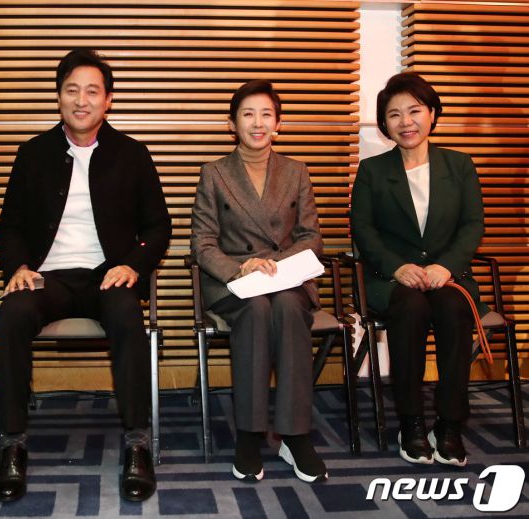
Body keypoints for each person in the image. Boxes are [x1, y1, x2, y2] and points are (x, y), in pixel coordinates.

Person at [0, 49, 171, 503]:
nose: (81, 100)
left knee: (127, 316)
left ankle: (137, 444)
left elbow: (158, 226)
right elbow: (9, 226)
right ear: (58, 97)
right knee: (11, 314)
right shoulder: (33, 153)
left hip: (107, 276)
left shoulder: (132, 154)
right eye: (72, 90)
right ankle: (12, 443)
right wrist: (18, 268)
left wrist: (132, 264)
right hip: (47, 277)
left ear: (108, 100)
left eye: (92, 91)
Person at [191, 80, 328, 483]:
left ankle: (295, 435)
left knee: (286, 306)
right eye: (248, 114)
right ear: (232, 124)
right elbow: (202, 242)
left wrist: (272, 264)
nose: (257, 122)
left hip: (286, 278)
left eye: (266, 114)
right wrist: (241, 268)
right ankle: (249, 436)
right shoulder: (214, 173)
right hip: (236, 282)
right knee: (255, 308)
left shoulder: (296, 171)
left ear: (278, 124)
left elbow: (311, 237)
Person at [350, 72, 485, 467]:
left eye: (414, 111)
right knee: (410, 308)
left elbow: (473, 224)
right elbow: (362, 229)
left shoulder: (459, 165)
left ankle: (449, 424)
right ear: (384, 123)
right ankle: (410, 422)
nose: (405, 122)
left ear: (432, 114)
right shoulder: (373, 170)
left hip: (448, 277)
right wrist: (397, 267)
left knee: (453, 309)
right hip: (391, 280)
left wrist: (447, 266)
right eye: (394, 114)